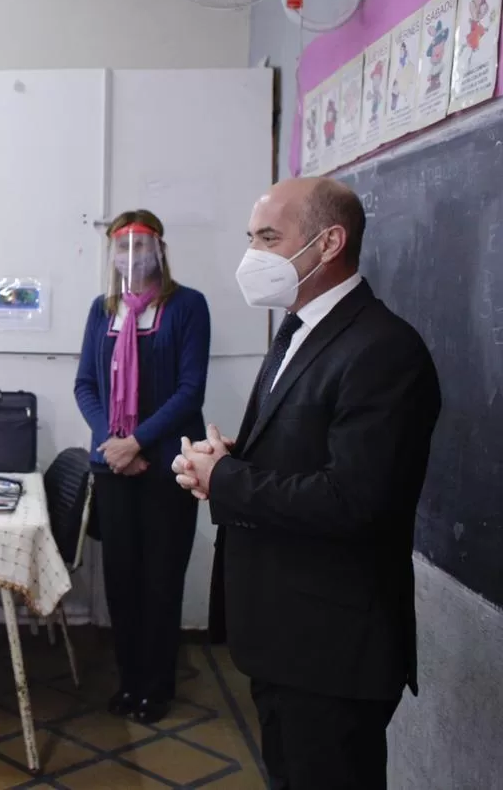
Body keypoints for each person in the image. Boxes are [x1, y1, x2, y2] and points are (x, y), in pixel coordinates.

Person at [173, 178, 441, 790]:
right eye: (251, 239)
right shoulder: (298, 328)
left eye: (269, 238)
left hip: (333, 647)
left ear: (329, 243)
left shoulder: (382, 348)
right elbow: (307, 449)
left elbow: (356, 499)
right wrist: (233, 459)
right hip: (284, 634)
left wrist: (228, 480)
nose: (253, 256)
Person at [74, 210, 211, 724]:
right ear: (110, 254)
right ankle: (129, 682)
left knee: (161, 580)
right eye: (121, 247)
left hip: (167, 467)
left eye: (140, 245)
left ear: (160, 249)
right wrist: (113, 444)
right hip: (112, 467)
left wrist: (137, 442)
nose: (131, 256)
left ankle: (157, 687)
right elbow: (86, 385)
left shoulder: (187, 307)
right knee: (122, 581)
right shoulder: (100, 310)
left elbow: (189, 390)